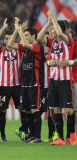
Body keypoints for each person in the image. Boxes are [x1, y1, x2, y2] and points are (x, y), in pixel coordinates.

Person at [37, 11, 76, 145]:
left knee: (69, 110)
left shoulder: (68, 41)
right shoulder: (52, 43)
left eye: (53, 28)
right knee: (55, 109)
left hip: (65, 80)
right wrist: (48, 22)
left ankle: (72, 134)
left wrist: (53, 18)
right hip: (53, 80)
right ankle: (59, 138)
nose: (52, 30)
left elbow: (59, 33)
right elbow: (39, 38)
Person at [0, 18, 24, 142]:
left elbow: (23, 41)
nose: (6, 40)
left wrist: (17, 29)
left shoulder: (18, 50)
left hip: (17, 85)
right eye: (5, 38)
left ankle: (23, 131)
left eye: (8, 38)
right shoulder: (1, 50)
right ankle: (2, 135)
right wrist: (4, 27)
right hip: (4, 86)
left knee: (22, 109)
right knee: (3, 110)